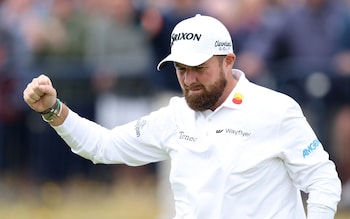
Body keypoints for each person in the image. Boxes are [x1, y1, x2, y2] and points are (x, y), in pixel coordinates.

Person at [23, 14, 341, 219]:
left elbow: (322, 180)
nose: (189, 80)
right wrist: (53, 110)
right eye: (180, 69)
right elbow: (103, 146)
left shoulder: (275, 110)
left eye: (199, 68)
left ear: (228, 60)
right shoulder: (175, 116)